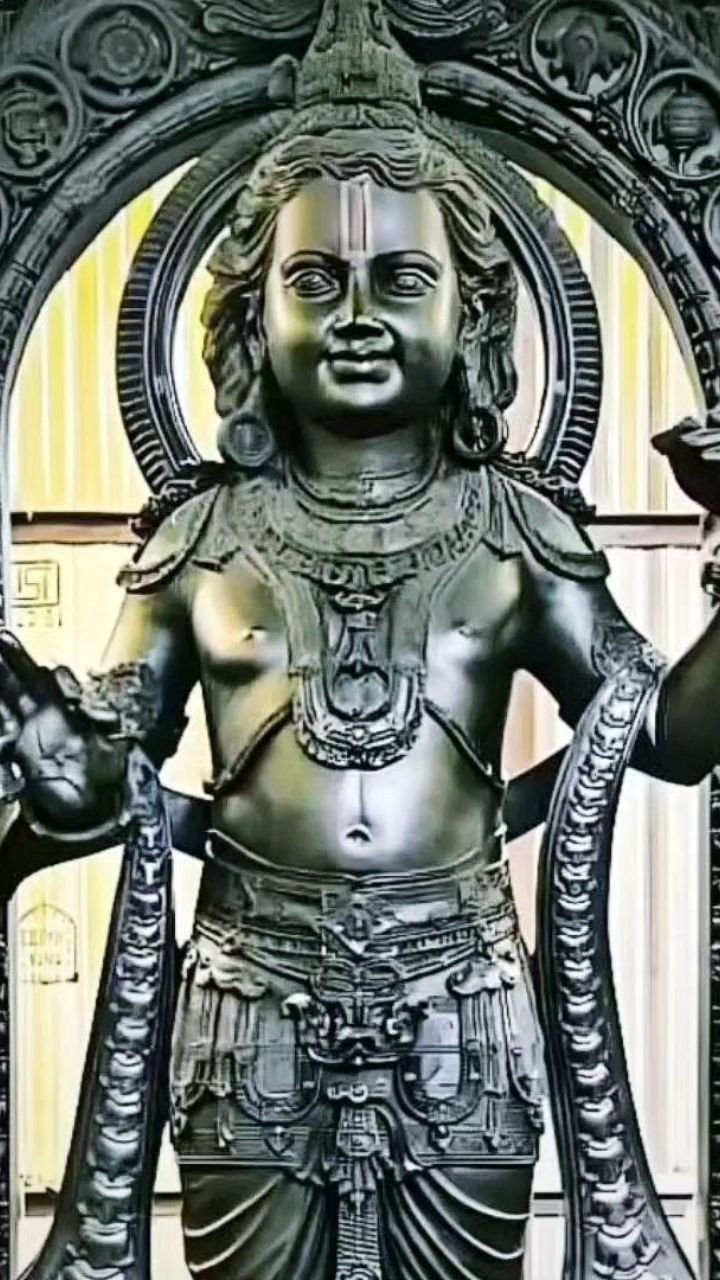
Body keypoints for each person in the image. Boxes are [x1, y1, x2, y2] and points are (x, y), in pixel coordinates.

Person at [1, 3, 718, 1277]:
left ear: (475, 317)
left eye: (402, 279)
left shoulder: (516, 532)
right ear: (249, 317)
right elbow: (117, 735)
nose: (357, 314)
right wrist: (76, 771)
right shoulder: (203, 539)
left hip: (464, 1019)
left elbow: (660, 730)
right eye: (315, 280)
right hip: (247, 1018)